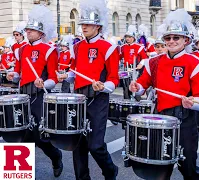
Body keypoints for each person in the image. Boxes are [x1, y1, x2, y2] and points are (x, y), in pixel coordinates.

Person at [130, 9, 199, 180]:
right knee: (160, 167)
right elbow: (143, 83)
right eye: (168, 38)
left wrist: (194, 101)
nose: (171, 41)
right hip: (160, 118)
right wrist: (137, 87)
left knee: (187, 167)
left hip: (185, 121)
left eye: (176, 37)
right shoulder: (154, 62)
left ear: (186, 40)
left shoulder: (196, 64)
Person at [58, 0, 119, 179]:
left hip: (98, 98)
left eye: (88, 24)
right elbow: (74, 72)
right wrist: (65, 76)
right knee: (78, 143)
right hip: (79, 98)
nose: (84, 26)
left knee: (96, 145)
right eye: (83, 23)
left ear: (98, 26)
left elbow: (114, 78)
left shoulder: (108, 47)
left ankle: (110, 170)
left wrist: (104, 86)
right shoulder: (76, 46)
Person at [6, 4, 63, 177]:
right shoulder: (21, 49)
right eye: (27, 29)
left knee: (40, 136)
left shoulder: (49, 50)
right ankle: (20, 173)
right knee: (19, 133)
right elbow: (18, 73)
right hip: (23, 94)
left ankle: (56, 156)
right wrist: (12, 75)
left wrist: (44, 83)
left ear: (41, 33)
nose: (28, 32)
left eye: (32, 29)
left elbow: (54, 78)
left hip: (40, 96)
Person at [120, 25, 148, 99]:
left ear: (133, 38)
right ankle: (126, 102)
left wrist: (141, 64)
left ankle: (137, 101)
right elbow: (119, 57)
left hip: (135, 68)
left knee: (135, 86)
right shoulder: (123, 47)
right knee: (125, 85)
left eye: (129, 37)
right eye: (126, 37)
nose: (127, 39)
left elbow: (145, 58)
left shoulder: (139, 47)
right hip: (126, 68)